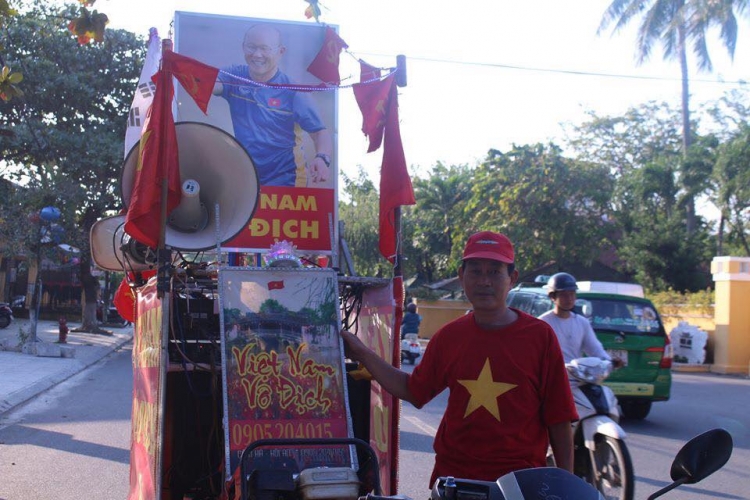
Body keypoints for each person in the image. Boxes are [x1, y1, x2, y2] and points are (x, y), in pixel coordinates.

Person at [341, 231, 578, 487]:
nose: (484, 281)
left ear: (512, 278)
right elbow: (413, 391)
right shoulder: (448, 337)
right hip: (454, 480)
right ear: (461, 275)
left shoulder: (540, 337)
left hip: (520, 484)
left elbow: (559, 419)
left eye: (495, 271)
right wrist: (362, 353)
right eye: (475, 271)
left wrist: (565, 486)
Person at [213, 24, 333, 187]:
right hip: (248, 178)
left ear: (280, 52)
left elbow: (319, 132)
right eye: (251, 47)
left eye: (265, 48)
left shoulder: (292, 91)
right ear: (243, 47)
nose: (257, 54)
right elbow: (211, 85)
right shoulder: (234, 76)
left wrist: (322, 158)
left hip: (287, 178)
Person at [539, 273, 623, 367]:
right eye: (564, 295)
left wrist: (609, 362)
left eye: (572, 294)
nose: (569, 299)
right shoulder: (542, 323)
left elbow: (595, 349)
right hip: (551, 377)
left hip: (576, 377)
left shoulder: (582, 323)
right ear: (552, 297)